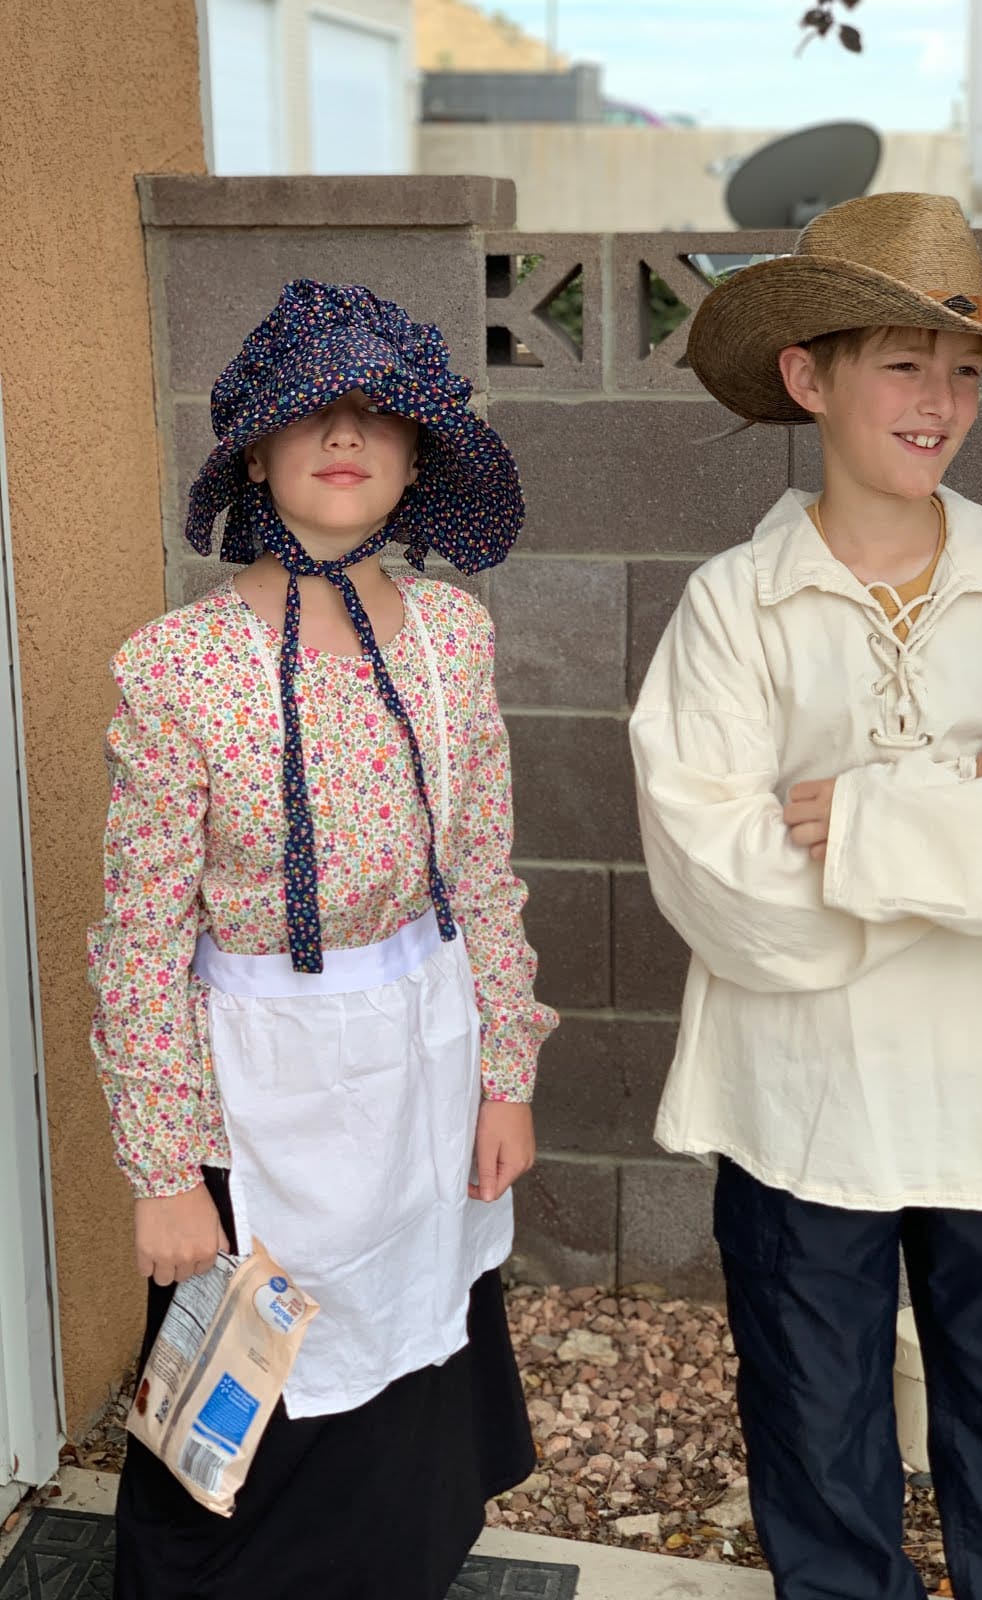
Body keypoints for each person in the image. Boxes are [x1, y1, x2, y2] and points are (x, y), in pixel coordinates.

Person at [629, 193, 982, 1600]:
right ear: (808, 377)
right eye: (901, 361)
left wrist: (880, 816)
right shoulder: (731, 607)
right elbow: (721, 877)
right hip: (797, 1097)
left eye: (964, 368)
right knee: (816, 1441)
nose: (940, 400)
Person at [87, 278, 557, 1600]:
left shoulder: (453, 639)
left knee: (412, 1387)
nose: (345, 434)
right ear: (255, 447)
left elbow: (482, 869)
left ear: (415, 457)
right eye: (312, 412)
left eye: (378, 414)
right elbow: (136, 944)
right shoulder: (179, 665)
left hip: (428, 1064)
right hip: (256, 1099)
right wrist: (165, 1168)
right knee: (237, 1406)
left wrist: (507, 1071)